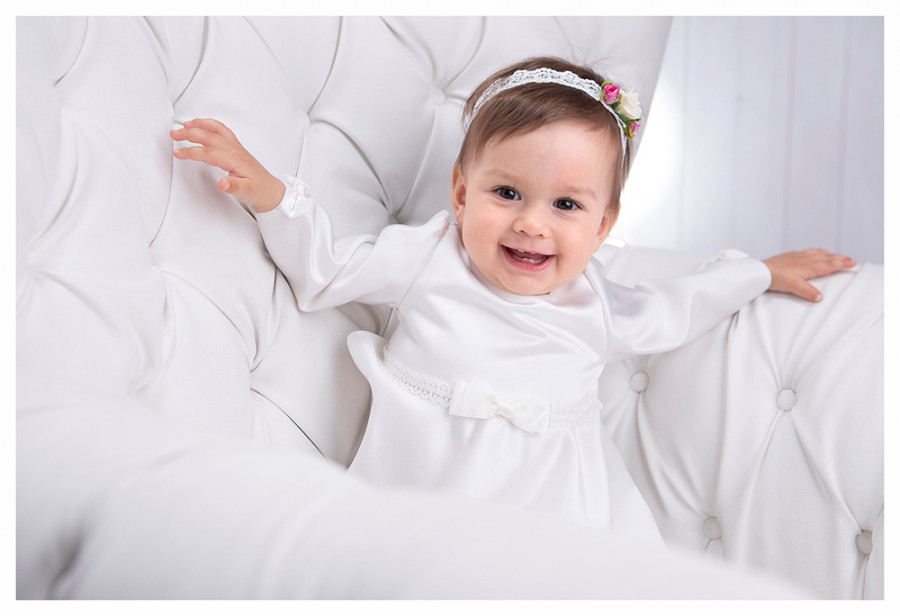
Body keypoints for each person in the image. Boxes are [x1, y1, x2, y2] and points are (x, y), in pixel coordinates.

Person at [170, 56, 855, 541]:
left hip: (553, 520)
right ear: (461, 193)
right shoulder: (430, 257)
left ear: (603, 226)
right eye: (507, 193)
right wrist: (271, 195)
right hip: (417, 503)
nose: (532, 223)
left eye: (566, 205)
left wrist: (758, 274)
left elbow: (678, 306)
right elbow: (324, 272)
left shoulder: (597, 304)